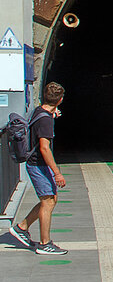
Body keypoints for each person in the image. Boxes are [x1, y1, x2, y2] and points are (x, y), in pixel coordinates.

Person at [10, 81, 68, 255]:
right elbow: (44, 147)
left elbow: (42, 120)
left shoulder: (40, 111)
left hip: (36, 164)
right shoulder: (45, 121)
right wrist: (57, 173)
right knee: (48, 202)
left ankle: (22, 227)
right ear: (60, 100)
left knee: (50, 200)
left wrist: (52, 115)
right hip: (38, 165)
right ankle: (45, 243)